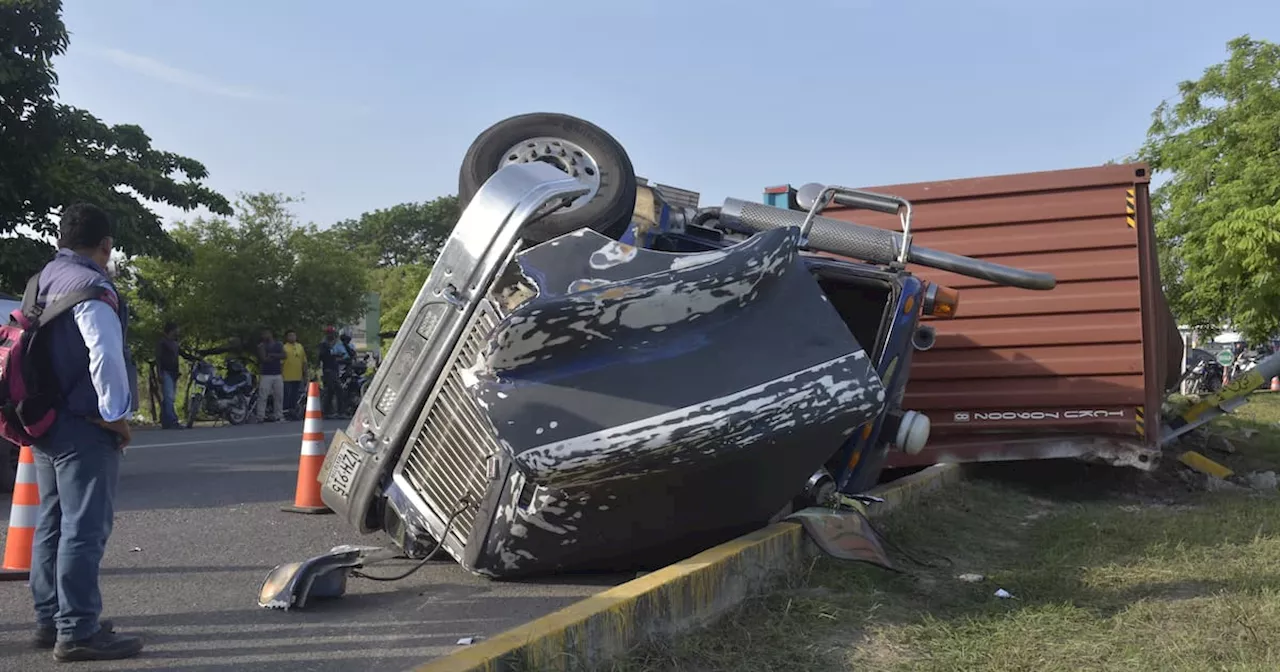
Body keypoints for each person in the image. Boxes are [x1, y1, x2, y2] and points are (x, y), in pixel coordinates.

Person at [28, 203, 144, 661]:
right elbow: (105, 355)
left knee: (52, 521)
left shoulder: (42, 279)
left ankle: (51, 617)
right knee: (84, 528)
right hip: (84, 424)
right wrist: (116, 414)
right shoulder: (93, 286)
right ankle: (77, 631)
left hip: (43, 421)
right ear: (106, 245)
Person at [155, 321, 183, 429]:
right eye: (177, 329)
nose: (178, 331)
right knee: (169, 397)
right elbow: (158, 358)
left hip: (174, 372)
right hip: (165, 372)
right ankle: (173, 421)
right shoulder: (163, 342)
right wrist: (159, 373)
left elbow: (182, 353)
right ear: (171, 330)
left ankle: (165, 421)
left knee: (169, 398)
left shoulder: (175, 343)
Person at [254, 328, 285, 423]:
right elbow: (264, 359)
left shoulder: (278, 344)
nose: (264, 336)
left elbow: (284, 355)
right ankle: (260, 416)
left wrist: (272, 355)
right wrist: (276, 356)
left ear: (270, 334)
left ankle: (278, 415)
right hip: (266, 374)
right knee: (263, 395)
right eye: (263, 334)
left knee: (279, 395)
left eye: (266, 333)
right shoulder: (261, 346)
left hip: (277, 373)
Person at [281, 329, 308, 418]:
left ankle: (293, 412)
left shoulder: (300, 347)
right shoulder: (284, 347)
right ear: (286, 337)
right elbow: (281, 363)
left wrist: (305, 374)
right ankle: (285, 412)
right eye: (290, 335)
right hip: (286, 376)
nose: (292, 337)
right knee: (286, 395)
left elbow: (304, 361)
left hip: (297, 376)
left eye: (293, 335)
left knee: (295, 395)